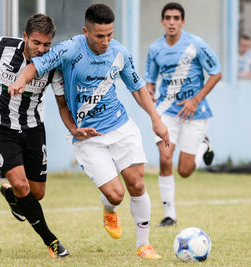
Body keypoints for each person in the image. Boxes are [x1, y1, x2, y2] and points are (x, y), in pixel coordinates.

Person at [9, 3, 170, 259]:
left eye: (109, 35)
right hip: (87, 136)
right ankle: (110, 208)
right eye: (99, 36)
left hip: (120, 126)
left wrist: (156, 119)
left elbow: (138, 89)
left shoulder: (120, 53)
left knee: (137, 184)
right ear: (86, 31)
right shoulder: (69, 49)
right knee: (116, 195)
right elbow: (37, 65)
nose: (105, 41)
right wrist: (20, 80)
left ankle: (144, 245)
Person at [0, 14, 72, 258]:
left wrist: (74, 129)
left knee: (37, 193)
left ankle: (11, 196)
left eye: (47, 44)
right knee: (22, 184)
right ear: (25, 37)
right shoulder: (0, 46)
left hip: (33, 127)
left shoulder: (53, 64)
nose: (41, 49)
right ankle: (52, 241)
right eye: (36, 42)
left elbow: (61, 103)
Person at [145, 2, 222, 227]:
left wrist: (196, 100)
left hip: (195, 113)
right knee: (165, 158)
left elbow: (216, 73)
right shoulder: (155, 48)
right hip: (167, 111)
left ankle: (203, 147)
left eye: (176, 18)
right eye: (167, 18)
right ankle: (170, 215)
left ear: (182, 21)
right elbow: (150, 78)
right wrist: (150, 89)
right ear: (162, 21)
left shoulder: (195, 44)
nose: (171, 22)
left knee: (185, 171)